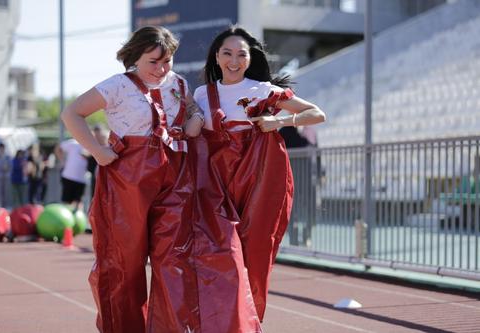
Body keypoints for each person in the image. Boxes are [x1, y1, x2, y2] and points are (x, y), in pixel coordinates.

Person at [61, 25, 204, 333]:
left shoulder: (178, 82)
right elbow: (71, 113)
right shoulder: (117, 85)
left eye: (167, 61)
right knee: (123, 262)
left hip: (175, 175)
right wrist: (97, 151)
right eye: (153, 61)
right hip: (128, 176)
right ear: (136, 57)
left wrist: (196, 117)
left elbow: (192, 107)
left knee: (174, 260)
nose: (161, 68)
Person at [193, 26, 326, 323]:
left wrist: (279, 121)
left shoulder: (264, 90)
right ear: (216, 57)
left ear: (250, 59)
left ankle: (248, 323)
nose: (234, 60)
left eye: (242, 54)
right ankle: (218, 321)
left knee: (254, 254)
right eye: (227, 53)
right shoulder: (202, 94)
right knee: (218, 252)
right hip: (215, 185)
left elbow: (317, 113)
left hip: (258, 180)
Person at [54, 138, 88, 209]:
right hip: (68, 177)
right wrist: (62, 160)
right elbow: (58, 147)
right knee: (66, 201)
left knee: (78, 202)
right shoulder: (73, 143)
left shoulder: (91, 145)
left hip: (82, 179)